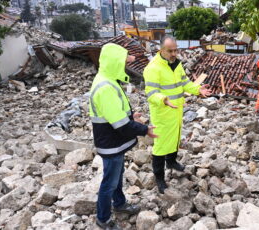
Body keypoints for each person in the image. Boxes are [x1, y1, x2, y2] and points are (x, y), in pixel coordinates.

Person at [89, 43, 158, 230]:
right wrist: (145, 130)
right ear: (113, 62)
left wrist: (130, 116)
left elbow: (114, 114)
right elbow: (121, 125)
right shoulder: (105, 87)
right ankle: (103, 219)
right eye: (123, 62)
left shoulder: (108, 80)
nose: (125, 65)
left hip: (113, 142)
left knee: (116, 177)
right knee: (109, 183)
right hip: (111, 144)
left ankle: (119, 204)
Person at [143, 36, 211, 194]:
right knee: (160, 147)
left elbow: (184, 83)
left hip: (177, 110)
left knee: (175, 138)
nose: (174, 54)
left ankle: (172, 162)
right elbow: (151, 93)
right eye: (170, 51)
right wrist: (163, 99)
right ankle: (159, 178)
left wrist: (197, 90)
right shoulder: (153, 68)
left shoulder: (177, 64)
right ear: (161, 50)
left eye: (176, 50)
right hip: (162, 113)